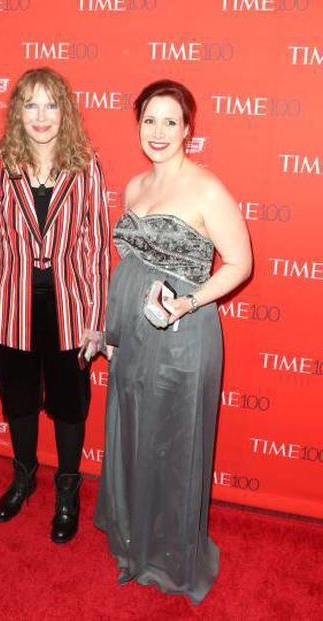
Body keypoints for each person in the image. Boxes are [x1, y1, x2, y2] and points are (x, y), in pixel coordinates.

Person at [94, 79, 252, 602]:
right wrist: (113, 331)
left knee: (175, 439)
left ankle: (171, 555)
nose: (158, 132)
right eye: (148, 121)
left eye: (170, 121)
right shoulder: (135, 187)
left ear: (188, 129)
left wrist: (189, 302)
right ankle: (136, 537)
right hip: (133, 333)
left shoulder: (206, 188)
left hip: (184, 332)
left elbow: (240, 264)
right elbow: (130, 265)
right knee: (136, 430)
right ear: (137, 126)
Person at [0, 67, 109, 543]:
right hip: (12, 305)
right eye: (30, 105)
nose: (41, 116)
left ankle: (67, 490)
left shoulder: (86, 163)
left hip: (69, 310)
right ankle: (24, 477)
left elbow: (95, 248)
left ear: (64, 110)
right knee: (20, 400)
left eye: (51, 104)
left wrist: (94, 321)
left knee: (70, 406)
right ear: (17, 112)